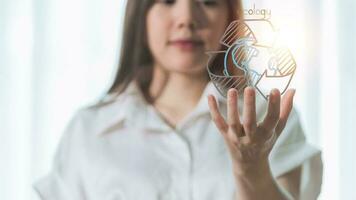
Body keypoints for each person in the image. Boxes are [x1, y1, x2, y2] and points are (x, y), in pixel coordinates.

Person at [33, 0, 323, 199]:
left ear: (230, 16)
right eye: (168, 0)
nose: (187, 18)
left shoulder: (265, 118)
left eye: (208, 1)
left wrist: (252, 169)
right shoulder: (88, 130)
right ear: (141, 13)